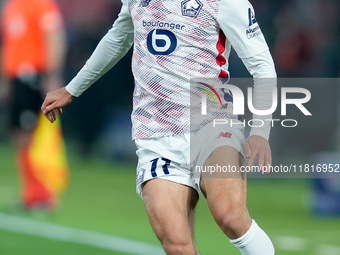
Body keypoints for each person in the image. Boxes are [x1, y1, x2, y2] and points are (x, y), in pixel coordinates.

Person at [41, 0, 276, 253]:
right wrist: (72, 89)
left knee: (230, 215)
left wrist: (261, 132)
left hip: (212, 123)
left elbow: (262, 65)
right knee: (177, 245)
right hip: (155, 133)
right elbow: (118, 38)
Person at [1, 0, 67, 210]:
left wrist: (52, 74)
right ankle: (31, 194)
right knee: (20, 137)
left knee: (36, 135)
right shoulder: (12, 7)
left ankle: (44, 195)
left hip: (34, 76)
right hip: (16, 78)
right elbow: (8, 45)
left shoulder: (41, 5)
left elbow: (54, 39)